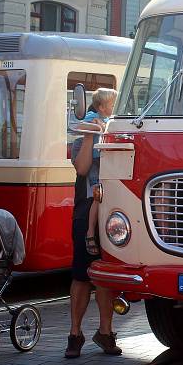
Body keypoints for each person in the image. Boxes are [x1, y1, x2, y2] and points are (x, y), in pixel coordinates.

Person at [65, 95, 122, 359]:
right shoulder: (81, 139)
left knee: (106, 274)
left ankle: (105, 331)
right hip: (87, 208)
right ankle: (75, 333)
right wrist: (90, 135)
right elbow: (82, 168)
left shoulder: (116, 135)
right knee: (81, 274)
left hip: (113, 212)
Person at [75, 88, 115, 255]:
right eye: (112, 105)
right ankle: (90, 232)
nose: (114, 108)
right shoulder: (94, 117)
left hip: (105, 162)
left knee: (100, 197)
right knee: (97, 197)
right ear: (101, 107)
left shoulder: (110, 120)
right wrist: (95, 125)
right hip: (96, 164)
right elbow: (81, 125)